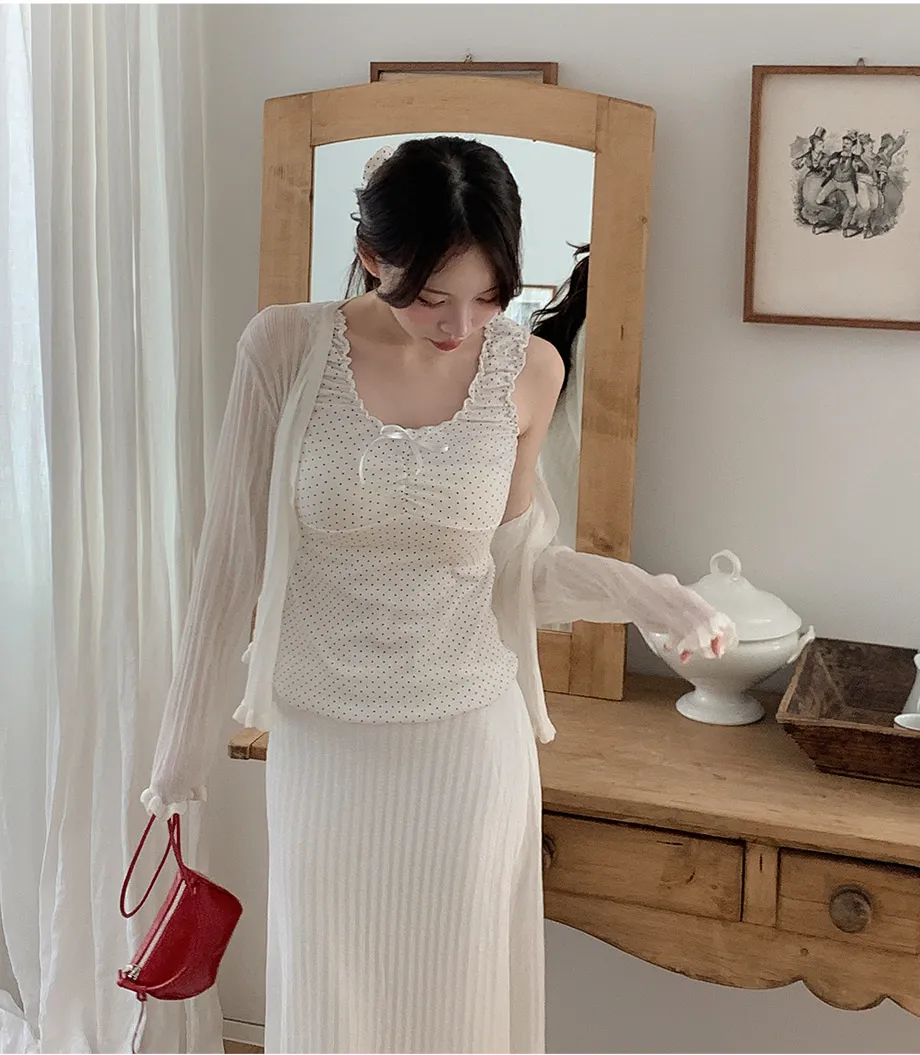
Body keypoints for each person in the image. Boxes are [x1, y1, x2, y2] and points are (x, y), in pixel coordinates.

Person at [143, 136, 736, 1054]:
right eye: (431, 296)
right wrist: (178, 757)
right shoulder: (285, 348)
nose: (462, 324)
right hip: (325, 742)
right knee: (332, 1001)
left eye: (490, 296)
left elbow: (517, 570)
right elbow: (229, 559)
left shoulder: (529, 369)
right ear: (372, 257)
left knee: (455, 1004)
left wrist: (649, 596)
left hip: (466, 744)